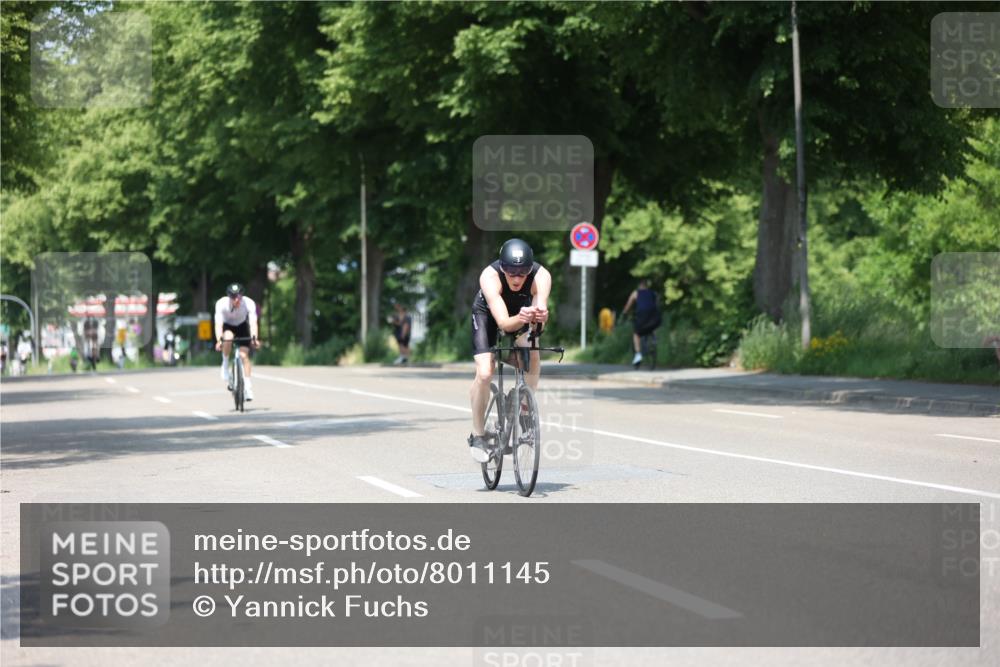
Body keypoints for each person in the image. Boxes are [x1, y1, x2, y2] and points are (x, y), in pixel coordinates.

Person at [468, 238, 552, 462]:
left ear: (530, 269)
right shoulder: (489, 276)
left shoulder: (541, 276)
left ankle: (523, 405)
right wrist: (523, 317)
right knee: (485, 372)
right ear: (502, 267)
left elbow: (540, 313)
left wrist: (541, 317)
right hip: (489, 315)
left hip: (522, 314)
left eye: (523, 272)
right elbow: (504, 324)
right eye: (511, 272)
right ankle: (478, 435)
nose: (517, 278)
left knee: (532, 350)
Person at [214, 283, 260, 400]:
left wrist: (254, 338)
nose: (236, 300)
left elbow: (253, 322)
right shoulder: (221, 304)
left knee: (244, 356)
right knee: (228, 337)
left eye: (239, 297)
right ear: (229, 297)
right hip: (228, 326)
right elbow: (218, 324)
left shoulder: (249, 303)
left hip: (242, 326)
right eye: (233, 297)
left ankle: (248, 388)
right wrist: (219, 340)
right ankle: (225, 364)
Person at [622, 279, 661, 368]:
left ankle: (638, 354)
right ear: (647, 286)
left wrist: (624, 313)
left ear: (639, 286)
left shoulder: (636, 293)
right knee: (653, 326)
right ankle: (654, 339)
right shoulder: (653, 293)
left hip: (642, 316)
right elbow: (657, 303)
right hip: (655, 317)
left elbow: (628, 305)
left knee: (636, 334)